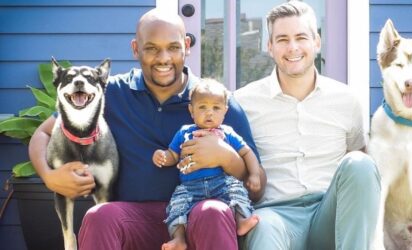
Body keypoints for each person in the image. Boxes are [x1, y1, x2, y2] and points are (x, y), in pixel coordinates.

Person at [29, 8, 265, 250]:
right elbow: (44, 132)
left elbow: (257, 189)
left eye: (173, 47)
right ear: (135, 49)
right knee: (99, 216)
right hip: (133, 218)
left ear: (186, 45)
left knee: (214, 210)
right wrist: (50, 176)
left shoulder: (214, 102)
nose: (163, 58)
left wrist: (227, 157)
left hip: (199, 219)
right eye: (151, 48)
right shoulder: (112, 93)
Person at [234, 1, 381, 249]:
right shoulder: (243, 102)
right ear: (269, 46)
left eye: (301, 37)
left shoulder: (347, 100)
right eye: (282, 39)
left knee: (361, 164)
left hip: (329, 214)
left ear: (317, 42)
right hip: (275, 216)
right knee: (264, 227)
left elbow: (358, 177)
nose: (292, 47)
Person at [152, 79, 261, 250]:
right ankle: (179, 239)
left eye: (216, 108)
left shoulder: (227, 133)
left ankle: (241, 221)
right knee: (176, 207)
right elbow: (173, 154)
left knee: (237, 192)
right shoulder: (185, 132)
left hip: (221, 183)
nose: (209, 113)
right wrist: (163, 156)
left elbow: (247, 152)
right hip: (190, 187)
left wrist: (254, 174)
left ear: (225, 111)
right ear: (191, 110)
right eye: (202, 107)